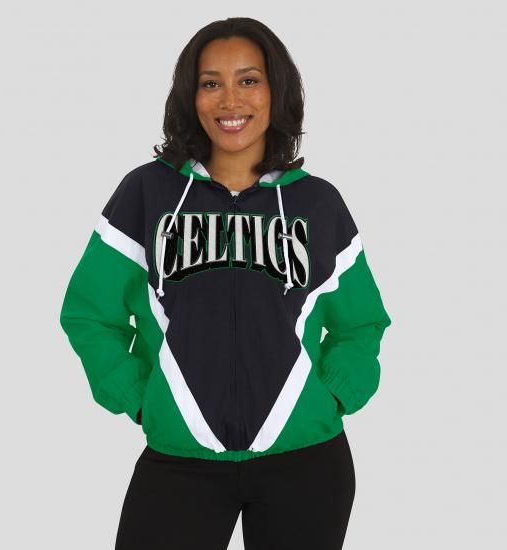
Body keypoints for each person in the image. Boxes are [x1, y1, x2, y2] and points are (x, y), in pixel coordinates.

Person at [59, 16, 392, 550]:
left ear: (275, 90)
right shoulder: (146, 194)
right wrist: (140, 398)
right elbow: (89, 312)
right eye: (211, 82)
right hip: (180, 464)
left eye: (248, 80)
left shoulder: (318, 203)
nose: (229, 100)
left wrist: (334, 394)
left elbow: (361, 322)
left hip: (307, 463)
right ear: (190, 96)